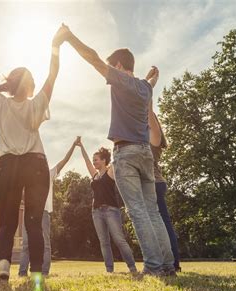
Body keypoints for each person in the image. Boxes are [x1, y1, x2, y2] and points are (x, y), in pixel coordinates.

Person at [61, 24, 175, 275]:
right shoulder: (145, 87)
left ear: (121, 67)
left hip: (126, 153)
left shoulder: (120, 80)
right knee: (153, 211)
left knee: (137, 212)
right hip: (145, 154)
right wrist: (154, 74)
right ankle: (167, 265)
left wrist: (70, 37)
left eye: (113, 67)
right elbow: (152, 80)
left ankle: (154, 266)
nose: (109, 71)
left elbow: (92, 58)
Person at [0, 26, 66, 281]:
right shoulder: (36, 104)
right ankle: (35, 273)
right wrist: (56, 45)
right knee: (33, 221)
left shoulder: (1, 104)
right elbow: (53, 75)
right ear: (29, 84)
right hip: (35, 163)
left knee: (8, 220)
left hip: (9, 164)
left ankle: (3, 265)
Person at [18, 138, 78, 277]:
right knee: (26, 244)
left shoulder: (50, 174)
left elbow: (64, 161)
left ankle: (44, 272)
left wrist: (73, 145)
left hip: (43, 213)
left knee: (45, 244)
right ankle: (22, 272)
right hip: (29, 213)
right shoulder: (27, 178)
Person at [76, 139, 137, 274]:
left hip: (111, 210)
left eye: (96, 159)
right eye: (94, 160)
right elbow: (86, 161)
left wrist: (118, 144)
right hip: (96, 212)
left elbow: (117, 158)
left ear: (104, 161)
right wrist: (81, 146)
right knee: (104, 242)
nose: (94, 162)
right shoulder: (95, 175)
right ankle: (109, 270)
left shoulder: (110, 172)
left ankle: (132, 267)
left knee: (119, 240)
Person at [148, 97, 181, 272]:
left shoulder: (154, 137)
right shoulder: (145, 138)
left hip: (155, 184)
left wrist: (147, 96)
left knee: (163, 224)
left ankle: (174, 262)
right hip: (152, 185)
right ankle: (165, 260)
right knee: (157, 224)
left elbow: (149, 115)